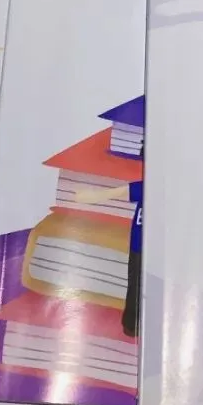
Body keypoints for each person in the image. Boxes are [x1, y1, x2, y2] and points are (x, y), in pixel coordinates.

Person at [72, 144, 144, 338]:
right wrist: (89, 197)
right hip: (138, 247)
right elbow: (115, 193)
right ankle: (132, 325)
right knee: (135, 286)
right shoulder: (145, 188)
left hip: (155, 250)